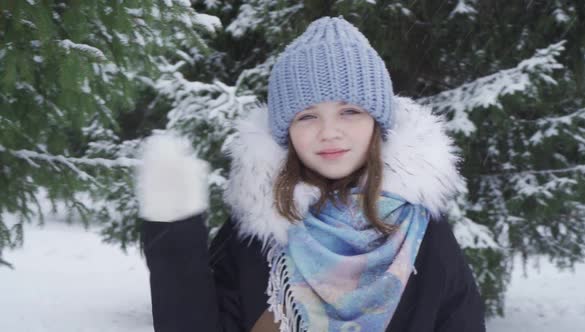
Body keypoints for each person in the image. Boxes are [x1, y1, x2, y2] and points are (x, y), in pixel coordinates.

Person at [137, 16, 486, 332]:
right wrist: (174, 232)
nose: (329, 132)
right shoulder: (260, 234)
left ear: (376, 123)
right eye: (307, 116)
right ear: (285, 131)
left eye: (349, 111)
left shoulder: (424, 234)